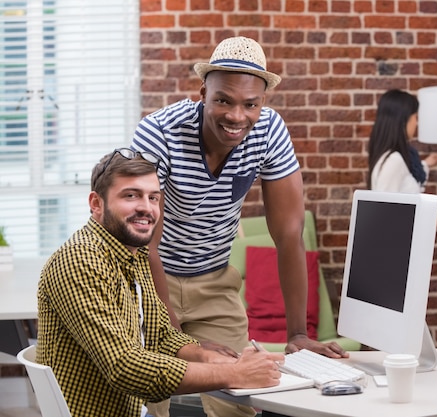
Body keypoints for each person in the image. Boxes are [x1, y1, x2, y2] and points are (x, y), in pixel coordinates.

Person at [131, 36, 348, 417]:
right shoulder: (158, 134)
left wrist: (297, 334)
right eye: (223, 100)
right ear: (203, 93)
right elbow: (145, 247)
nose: (236, 116)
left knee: (241, 403)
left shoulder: (269, 132)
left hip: (214, 281)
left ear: (263, 102)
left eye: (251, 104)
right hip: (147, 285)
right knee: (147, 402)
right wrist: (175, 341)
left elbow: (289, 235)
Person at [36, 148, 284, 417]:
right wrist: (233, 374)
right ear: (96, 204)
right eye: (131, 195)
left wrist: (213, 357)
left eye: (153, 197)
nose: (146, 207)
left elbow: (160, 335)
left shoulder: (135, 252)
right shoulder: (81, 260)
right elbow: (125, 367)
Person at [367, 89, 437, 228]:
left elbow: (403, 183)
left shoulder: (391, 157)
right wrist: (430, 217)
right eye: (415, 117)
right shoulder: (393, 161)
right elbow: (384, 211)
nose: (416, 123)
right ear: (403, 120)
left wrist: (427, 163)